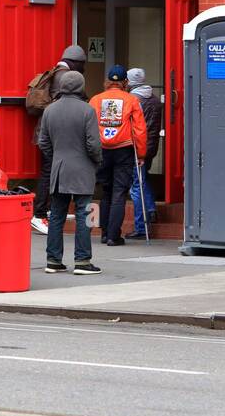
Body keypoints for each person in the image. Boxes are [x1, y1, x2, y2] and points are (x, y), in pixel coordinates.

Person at [37, 71, 103, 276]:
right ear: (81, 87)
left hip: (59, 168)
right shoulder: (87, 110)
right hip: (82, 169)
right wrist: (97, 161)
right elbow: (93, 144)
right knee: (85, 214)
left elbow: (43, 143)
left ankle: (53, 260)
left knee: (57, 215)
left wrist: (57, 157)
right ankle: (83, 260)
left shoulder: (49, 110)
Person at [32, 44, 88, 234]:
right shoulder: (64, 76)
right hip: (54, 133)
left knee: (49, 171)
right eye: (82, 64)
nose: (83, 69)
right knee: (48, 172)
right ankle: (39, 214)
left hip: (46, 132)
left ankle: (45, 211)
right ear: (75, 62)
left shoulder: (55, 72)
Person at [90, 65, 147, 247]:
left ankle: (105, 233)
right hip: (124, 149)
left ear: (108, 81)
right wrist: (141, 153)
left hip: (101, 149)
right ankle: (114, 235)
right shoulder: (131, 100)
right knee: (119, 192)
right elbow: (139, 129)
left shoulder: (96, 100)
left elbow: (89, 126)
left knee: (105, 191)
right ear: (125, 82)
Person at [125, 67, 160, 241]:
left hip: (137, 146)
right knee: (142, 178)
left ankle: (140, 226)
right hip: (151, 146)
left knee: (136, 186)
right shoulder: (153, 99)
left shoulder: (133, 100)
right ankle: (151, 209)